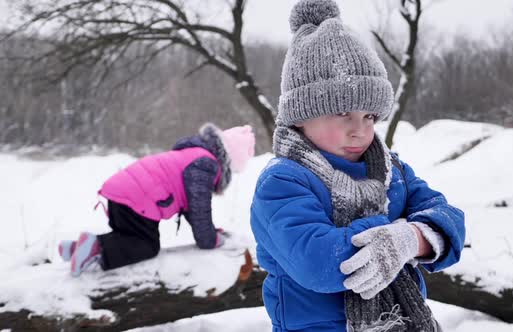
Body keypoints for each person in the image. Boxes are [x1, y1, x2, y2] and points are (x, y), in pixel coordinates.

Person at [249, 1, 465, 331]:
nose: (359, 130)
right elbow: (318, 262)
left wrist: (410, 238)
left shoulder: (391, 171)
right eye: (343, 114)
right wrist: (386, 231)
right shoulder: (283, 181)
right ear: (301, 116)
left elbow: (448, 219)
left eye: (369, 117)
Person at [58, 123, 255, 277]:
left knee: (128, 238)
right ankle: (94, 245)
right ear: (229, 162)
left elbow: (190, 206)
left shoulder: (193, 155)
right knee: (146, 246)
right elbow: (199, 210)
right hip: (137, 198)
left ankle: (77, 249)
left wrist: (209, 232)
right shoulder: (205, 165)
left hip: (123, 193)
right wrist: (209, 240)